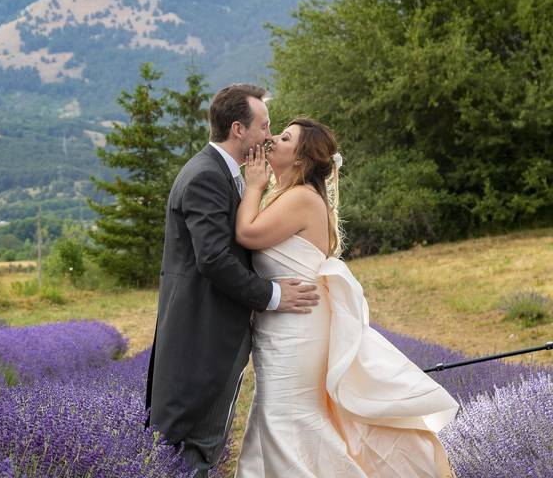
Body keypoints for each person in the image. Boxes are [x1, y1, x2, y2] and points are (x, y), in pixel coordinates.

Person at [233, 117, 458, 477]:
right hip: (283, 326)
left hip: (297, 330)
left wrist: (253, 185)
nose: (273, 139)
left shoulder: (302, 198)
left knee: (287, 420)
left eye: (285, 137)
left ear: (301, 160)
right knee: (274, 420)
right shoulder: (290, 196)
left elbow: (246, 233)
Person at [145, 84, 321, 478]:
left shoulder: (224, 174)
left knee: (198, 449)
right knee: (194, 450)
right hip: (202, 341)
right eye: (265, 126)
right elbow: (213, 260)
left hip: (214, 339)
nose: (269, 136)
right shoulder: (207, 176)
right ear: (239, 129)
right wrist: (272, 295)